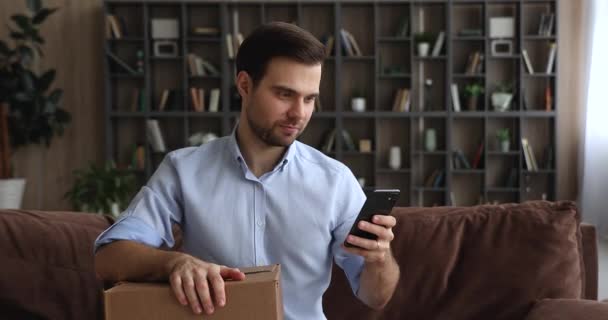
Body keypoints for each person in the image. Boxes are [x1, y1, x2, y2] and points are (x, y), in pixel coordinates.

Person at [94, 22, 400, 319]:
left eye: (309, 99)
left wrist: (379, 259)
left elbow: (376, 296)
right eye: (284, 94)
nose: (299, 113)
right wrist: (175, 263)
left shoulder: (336, 181)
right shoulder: (183, 170)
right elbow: (109, 257)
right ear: (245, 85)